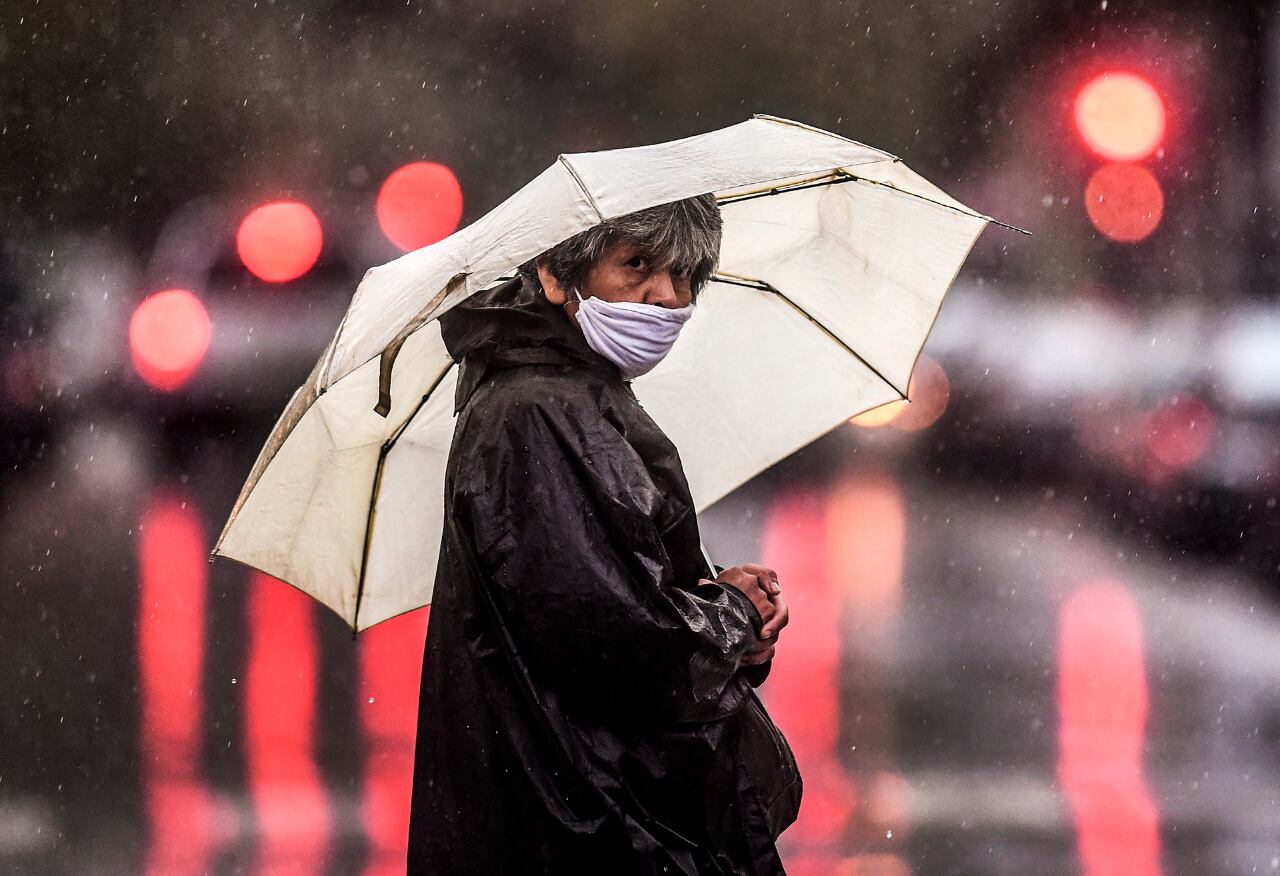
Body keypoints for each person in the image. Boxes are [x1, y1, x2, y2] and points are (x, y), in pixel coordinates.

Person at [407, 193, 801, 875]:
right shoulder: (540, 413)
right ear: (558, 274)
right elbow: (617, 642)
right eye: (638, 264)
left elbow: (612, 595)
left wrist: (721, 608)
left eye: (685, 277)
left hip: (595, 811)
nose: (664, 296)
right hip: (589, 822)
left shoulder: (576, 396)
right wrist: (734, 617)